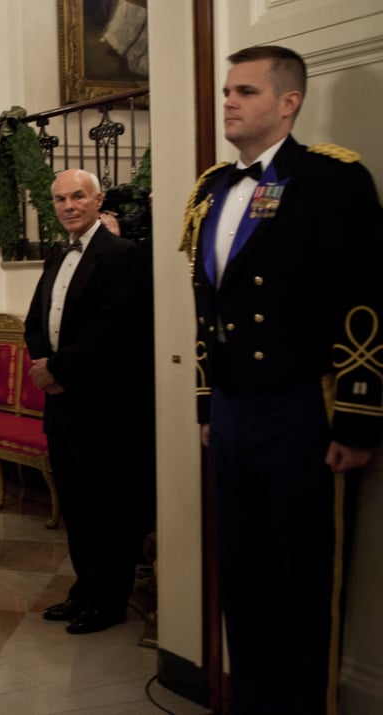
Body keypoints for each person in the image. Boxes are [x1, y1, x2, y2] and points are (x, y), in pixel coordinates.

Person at [180, 45, 383, 713]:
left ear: (288, 102)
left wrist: (358, 416)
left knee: (304, 577)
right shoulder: (211, 188)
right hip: (234, 409)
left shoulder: (330, 179)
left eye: (245, 91)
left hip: (303, 405)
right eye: (227, 91)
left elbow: (364, 299)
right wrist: (208, 403)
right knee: (242, 574)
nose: (229, 102)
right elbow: (207, 307)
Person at [24, 168, 151, 635]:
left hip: (104, 403)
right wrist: (41, 361)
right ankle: (85, 589)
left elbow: (114, 329)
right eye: (60, 199)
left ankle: (109, 600)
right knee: (77, 502)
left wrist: (58, 370)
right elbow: (38, 318)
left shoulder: (122, 255)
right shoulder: (58, 253)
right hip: (63, 403)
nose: (68, 206)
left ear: (98, 201)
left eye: (78, 197)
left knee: (107, 505)